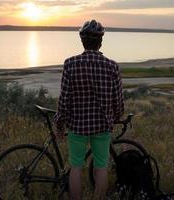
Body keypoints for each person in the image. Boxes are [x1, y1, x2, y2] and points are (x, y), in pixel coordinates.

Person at [54, 19, 124, 200]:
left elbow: (64, 100)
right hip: (102, 126)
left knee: (76, 168)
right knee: (101, 168)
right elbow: (118, 100)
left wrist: (59, 124)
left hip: (77, 126)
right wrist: (115, 118)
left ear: (82, 41)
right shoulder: (112, 66)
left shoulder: (70, 64)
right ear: (100, 41)